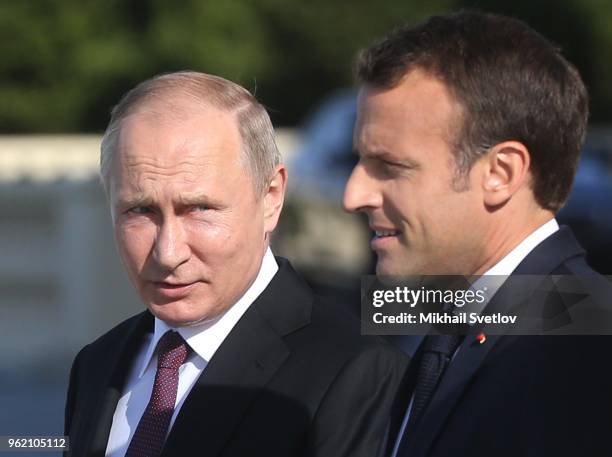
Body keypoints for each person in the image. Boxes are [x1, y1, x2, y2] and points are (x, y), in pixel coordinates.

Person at [64, 71, 408, 457]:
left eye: (199, 209)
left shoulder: (355, 371)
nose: (168, 251)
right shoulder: (97, 364)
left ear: (271, 198)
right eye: (140, 210)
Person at [343, 11, 612, 457]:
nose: (354, 195)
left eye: (390, 166)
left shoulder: (584, 354)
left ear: (501, 173)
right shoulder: (450, 325)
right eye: (360, 162)